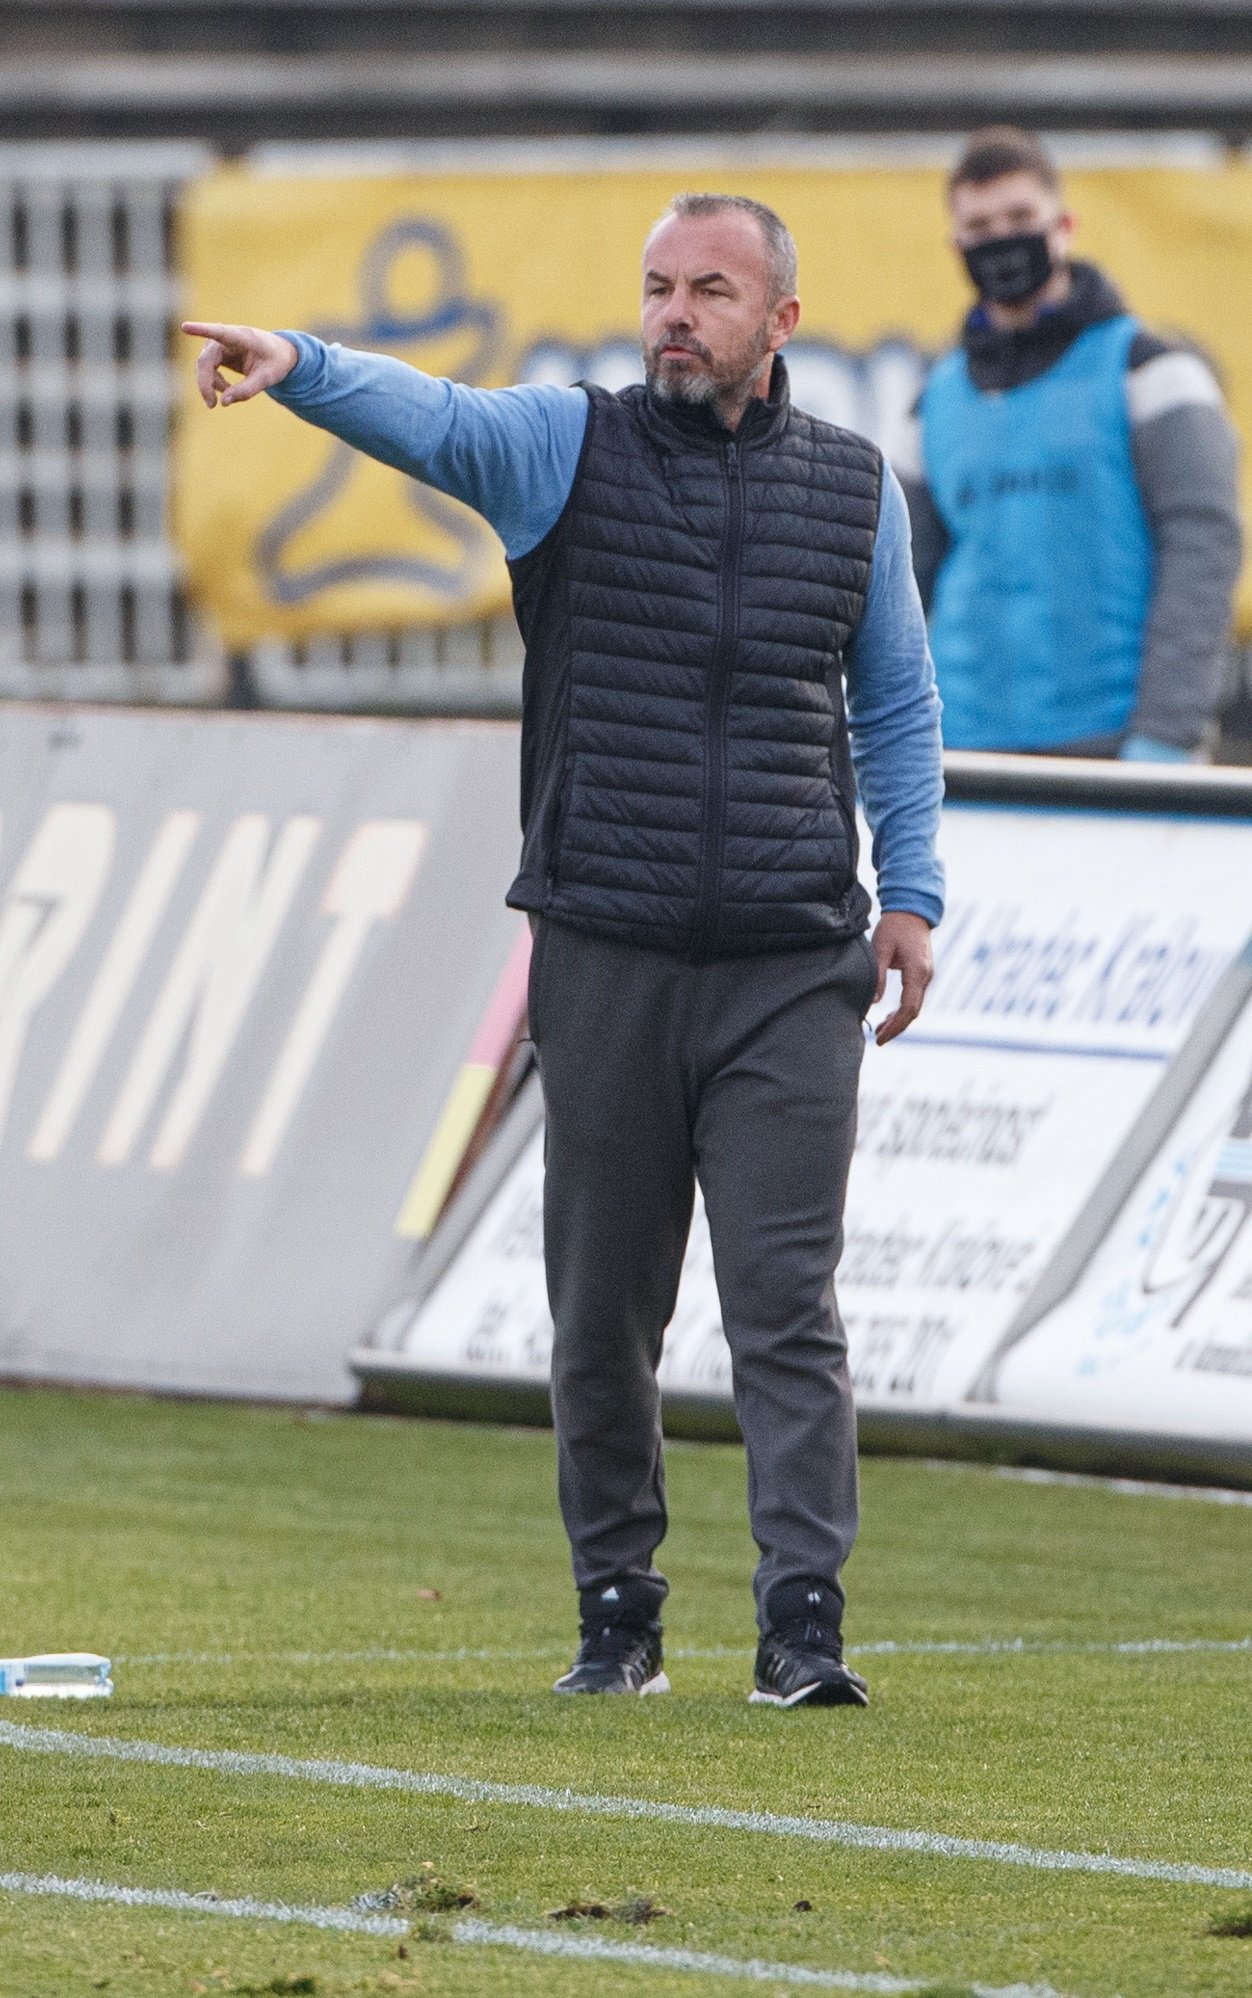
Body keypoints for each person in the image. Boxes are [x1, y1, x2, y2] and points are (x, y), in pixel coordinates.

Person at [183, 190, 944, 1708]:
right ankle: (619, 1614)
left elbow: (898, 703)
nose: (675, 314)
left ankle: (804, 1626)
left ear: (780, 320)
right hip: (604, 947)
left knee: (786, 1309)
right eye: (657, 286)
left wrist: (910, 894)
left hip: (794, 959)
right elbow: (433, 418)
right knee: (604, 1314)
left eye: (710, 290)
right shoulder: (564, 449)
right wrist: (304, 365)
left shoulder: (857, 490)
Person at [898, 126, 1242, 762]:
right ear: (956, 245)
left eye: (1020, 217)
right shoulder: (930, 403)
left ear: (1064, 226)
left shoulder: (1153, 372)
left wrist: (1167, 735)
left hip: (1117, 745)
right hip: (964, 753)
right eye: (980, 226)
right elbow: (902, 583)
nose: (1002, 239)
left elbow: (1203, 550)